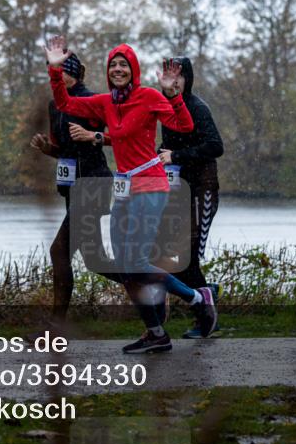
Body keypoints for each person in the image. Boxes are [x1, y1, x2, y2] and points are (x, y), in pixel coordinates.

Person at [42, 35, 217, 354]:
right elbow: (66, 103)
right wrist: (55, 71)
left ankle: (196, 298)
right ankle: (156, 333)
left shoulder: (149, 97)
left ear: (133, 70)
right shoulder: (106, 103)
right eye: (113, 65)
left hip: (150, 185)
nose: (118, 69)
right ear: (107, 72)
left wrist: (172, 95)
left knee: (135, 261)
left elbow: (184, 125)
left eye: (124, 65)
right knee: (125, 268)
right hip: (123, 187)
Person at [30, 53, 118, 323]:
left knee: (58, 251)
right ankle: (153, 284)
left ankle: (56, 328)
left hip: (94, 185)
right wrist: (47, 148)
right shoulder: (54, 105)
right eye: (52, 72)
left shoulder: (92, 100)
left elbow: (119, 136)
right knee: (97, 261)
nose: (55, 77)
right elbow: (65, 151)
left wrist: (94, 137)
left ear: (74, 74)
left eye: (60, 72)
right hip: (72, 187)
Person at [156, 57, 224, 338]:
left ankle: (206, 318)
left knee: (188, 257)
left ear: (188, 79)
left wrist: (177, 156)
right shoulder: (165, 109)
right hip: (177, 190)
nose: (174, 81)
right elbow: (171, 148)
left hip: (201, 189)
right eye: (169, 76)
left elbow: (215, 146)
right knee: (163, 253)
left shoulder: (197, 107)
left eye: (179, 76)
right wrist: (162, 153)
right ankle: (207, 295)